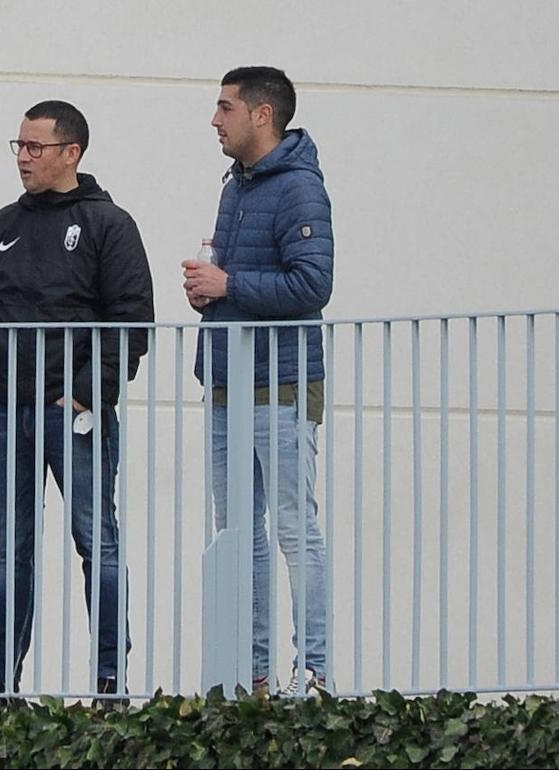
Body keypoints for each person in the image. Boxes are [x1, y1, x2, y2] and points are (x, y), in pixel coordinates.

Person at [0, 100, 155, 702]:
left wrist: (86, 394)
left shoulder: (107, 225)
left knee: (97, 541)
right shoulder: (0, 226)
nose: (23, 158)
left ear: (72, 152)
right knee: (11, 547)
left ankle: (110, 682)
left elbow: (131, 323)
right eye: (18, 146)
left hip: (74, 413)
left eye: (35, 147)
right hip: (5, 413)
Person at [182, 66, 333, 696]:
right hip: (227, 384)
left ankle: (317, 671)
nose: (214, 120)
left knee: (294, 527)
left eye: (225, 107)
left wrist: (228, 286)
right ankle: (255, 673)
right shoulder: (236, 186)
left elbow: (313, 285)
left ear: (262, 114)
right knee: (237, 534)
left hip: (282, 384)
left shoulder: (299, 188)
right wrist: (209, 291)